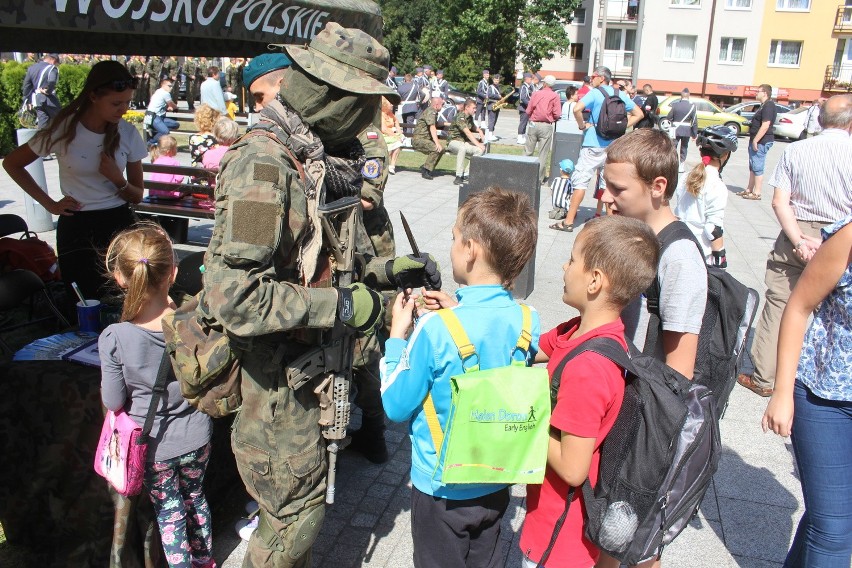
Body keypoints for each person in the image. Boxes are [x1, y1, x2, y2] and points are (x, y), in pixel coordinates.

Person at [205, 24, 425, 566]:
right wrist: (345, 307)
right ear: (332, 97)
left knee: (305, 519)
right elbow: (237, 296)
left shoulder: (314, 155)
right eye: (366, 105)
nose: (374, 119)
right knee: (291, 529)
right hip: (278, 388)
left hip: (312, 371)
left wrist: (388, 270)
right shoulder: (264, 167)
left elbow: (322, 259)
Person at [381, 187, 540, 568]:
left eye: (454, 238)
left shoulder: (434, 329)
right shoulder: (529, 321)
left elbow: (396, 404)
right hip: (497, 480)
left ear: (470, 249)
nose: (451, 246)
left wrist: (396, 336)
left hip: (441, 490)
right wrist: (457, 310)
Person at [519, 215, 660, 568]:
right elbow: (530, 348)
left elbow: (572, 467)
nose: (565, 268)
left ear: (595, 280)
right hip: (556, 520)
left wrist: (523, 420)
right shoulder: (586, 333)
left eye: (572, 259)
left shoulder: (588, 369)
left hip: (561, 539)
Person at [100, 225, 214, 568]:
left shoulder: (115, 336)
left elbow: (113, 400)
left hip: (155, 446)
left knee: (170, 513)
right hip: (198, 435)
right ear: (174, 272)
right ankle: (206, 561)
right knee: (196, 498)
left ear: (120, 277)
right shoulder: (193, 320)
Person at [737, 94, 852, 398]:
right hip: (843, 237)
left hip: (797, 231)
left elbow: (779, 202)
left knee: (780, 304)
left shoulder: (797, 151)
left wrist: (799, 239)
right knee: (837, 311)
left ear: (821, 118)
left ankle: (764, 377)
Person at [3, 60, 147, 301]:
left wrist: (116, 179)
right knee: (81, 300)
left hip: (118, 222)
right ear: (93, 96)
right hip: (77, 224)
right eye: (116, 103)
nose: (123, 109)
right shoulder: (63, 129)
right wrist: (50, 204)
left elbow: (138, 195)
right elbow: (12, 163)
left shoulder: (128, 133)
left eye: (127, 103)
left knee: (124, 298)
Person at [762, 213, 852, 567]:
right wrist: (782, 392)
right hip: (825, 398)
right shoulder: (847, 239)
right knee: (833, 533)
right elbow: (798, 307)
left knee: (829, 519)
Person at [603, 128, 707, 380]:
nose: (605, 196)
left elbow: (678, 373)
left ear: (658, 186)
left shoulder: (679, 259)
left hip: (639, 403)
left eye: (617, 189)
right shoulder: (633, 235)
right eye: (605, 185)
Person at [555, 66, 642, 232]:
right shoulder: (621, 94)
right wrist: (622, 127)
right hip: (613, 146)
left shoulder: (595, 93)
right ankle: (609, 225)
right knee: (606, 184)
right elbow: (639, 114)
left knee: (581, 182)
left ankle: (568, 222)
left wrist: (582, 125)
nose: (591, 79)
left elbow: (576, 109)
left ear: (601, 78)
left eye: (593, 76)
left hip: (593, 143)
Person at [672, 125, 739, 268]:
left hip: (679, 244)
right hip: (700, 254)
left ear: (701, 151)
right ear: (725, 155)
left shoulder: (686, 177)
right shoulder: (717, 185)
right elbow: (713, 229)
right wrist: (720, 259)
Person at [739, 84, 777, 200]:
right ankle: (749, 189)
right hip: (756, 140)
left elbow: (765, 125)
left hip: (761, 141)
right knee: (753, 166)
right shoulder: (763, 105)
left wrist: (756, 140)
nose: (756, 93)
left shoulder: (769, 106)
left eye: (758, 91)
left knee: (757, 166)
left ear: (765, 93)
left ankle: (757, 192)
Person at [524, 75, 562, 186]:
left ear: (544, 83)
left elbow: (528, 110)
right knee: (543, 153)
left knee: (528, 151)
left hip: (533, 124)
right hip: (546, 125)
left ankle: (524, 174)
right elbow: (557, 113)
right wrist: (553, 118)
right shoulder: (555, 96)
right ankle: (538, 179)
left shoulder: (536, 93)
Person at [446, 98, 486, 185]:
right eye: (473, 108)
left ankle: (466, 174)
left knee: (479, 150)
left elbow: (473, 127)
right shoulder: (460, 117)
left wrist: (480, 131)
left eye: (475, 108)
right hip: (453, 142)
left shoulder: (469, 118)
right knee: (462, 148)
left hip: (463, 142)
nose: (475, 110)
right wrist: (478, 144)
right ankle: (458, 176)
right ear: (467, 107)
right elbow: (467, 132)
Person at [22, 53, 60, 129]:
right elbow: (52, 82)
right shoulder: (52, 68)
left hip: (37, 101)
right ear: (53, 60)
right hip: (49, 101)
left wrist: (27, 101)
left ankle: (41, 140)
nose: (56, 65)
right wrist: (48, 91)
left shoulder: (31, 68)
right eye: (56, 63)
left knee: (42, 127)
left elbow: (26, 87)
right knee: (61, 121)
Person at [412, 96, 446, 180]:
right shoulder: (431, 111)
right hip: (418, 140)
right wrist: (437, 143)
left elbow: (435, 123)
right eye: (442, 104)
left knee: (442, 149)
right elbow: (432, 127)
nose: (443, 106)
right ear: (437, 105)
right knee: (436, 148)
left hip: (424, 139)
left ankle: (428, 167)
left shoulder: (432, 111)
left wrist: (448, 124)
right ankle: (426, 170)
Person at [666, 88, 698, 173]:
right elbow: (694, 121)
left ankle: (673, 164)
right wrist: (694, 134)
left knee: (673, 147)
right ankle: (681, 165)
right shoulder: (692, 106)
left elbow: (669, 117)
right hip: (686, 130)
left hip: (676, 129)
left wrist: (674, 122)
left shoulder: (675, 105)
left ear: (681, 96)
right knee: (684, 147)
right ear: (688, 96)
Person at [146, 78, 179, 146]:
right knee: (165, 131)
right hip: (154, 116)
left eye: (172, 86)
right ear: (163, 85)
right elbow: (172, 104)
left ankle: (156, 132)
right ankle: (151, 142)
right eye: (169, 86)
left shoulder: (158, 91)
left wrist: (168, 107)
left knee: (176, 124)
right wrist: (175, 107)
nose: (171, 88)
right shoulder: (165, 93)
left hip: (160, 117)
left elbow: (163, 103)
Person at [381, 96, 404, 174]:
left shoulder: (390, 114)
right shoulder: (381, 115)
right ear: (384, 105)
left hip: (391, 135)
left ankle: (392, 165)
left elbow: (396, 122)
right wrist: (396, 136)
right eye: (390, 104)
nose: (392, 105)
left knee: (399, 143)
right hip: (383, 135)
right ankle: (389, 165)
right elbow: (384, 129)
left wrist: (399, 132)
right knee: (398, 143)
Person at [484, 73, 503, 142]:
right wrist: (498, 97)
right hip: (491, 105)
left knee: (494, 120)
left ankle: (492, 133)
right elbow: (489, 95)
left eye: (497, 80)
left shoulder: (498, 87)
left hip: (497, 105)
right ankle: (489, 134)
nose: (496, 81)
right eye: (495, 80)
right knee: (491, 120)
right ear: (493, 80)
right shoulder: (490, 87)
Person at [517, 72, 535, 144]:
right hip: (524, 108)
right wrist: (530, 104)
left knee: (526, 123)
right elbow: (523, 98)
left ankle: (523, 136)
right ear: (526, 79)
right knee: (523, 123)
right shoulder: (523, 87)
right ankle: (519, 137)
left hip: (528, 108)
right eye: (530, 79)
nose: (531, 80)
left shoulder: (529, 87)